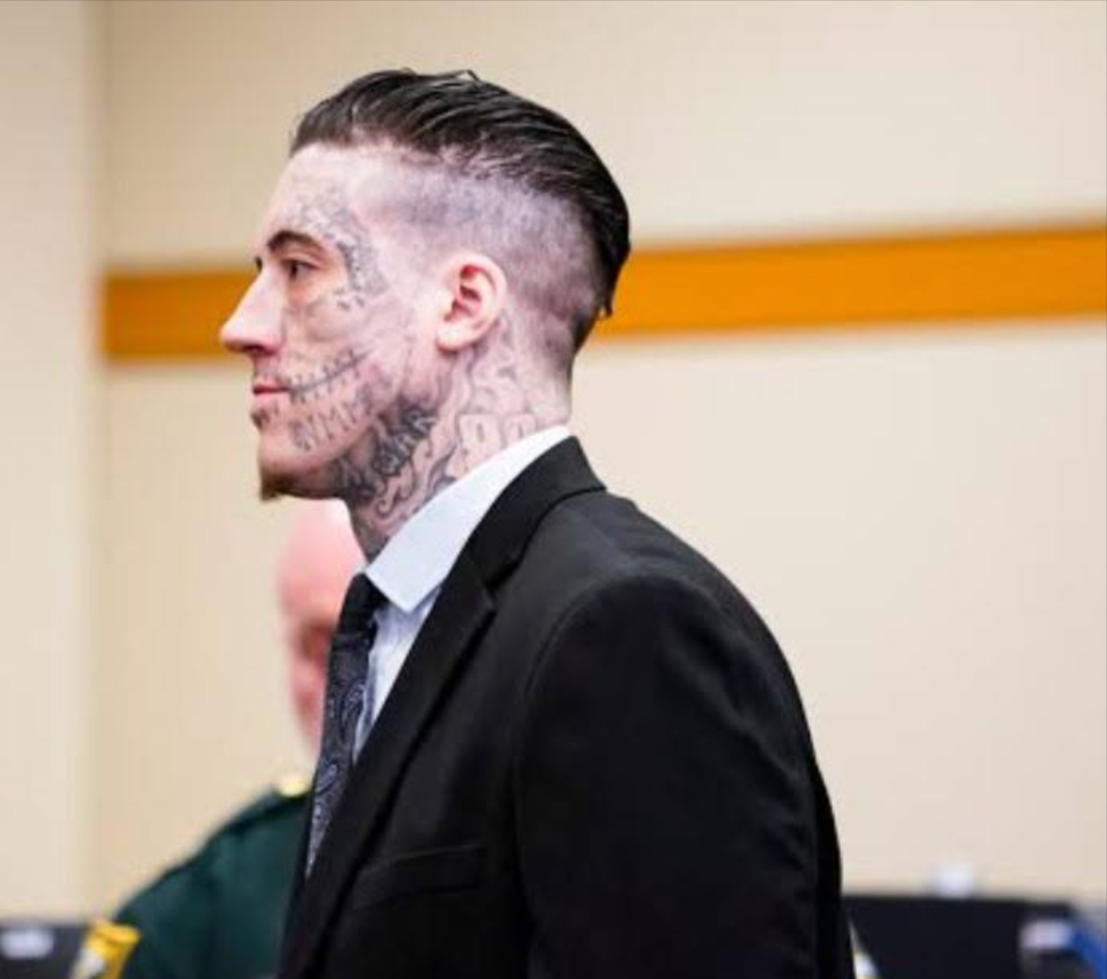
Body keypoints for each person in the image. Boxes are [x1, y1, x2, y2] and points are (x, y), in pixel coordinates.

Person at [218, 69, 854, 979]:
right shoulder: (406, 618)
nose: (243, 325)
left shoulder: (624, 627)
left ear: (464, 303)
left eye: (299, 268)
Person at [71, 502, 363, 979]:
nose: (317, 681)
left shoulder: (510, 838)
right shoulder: (235, 886)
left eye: (339, 638)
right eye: (309, 645)